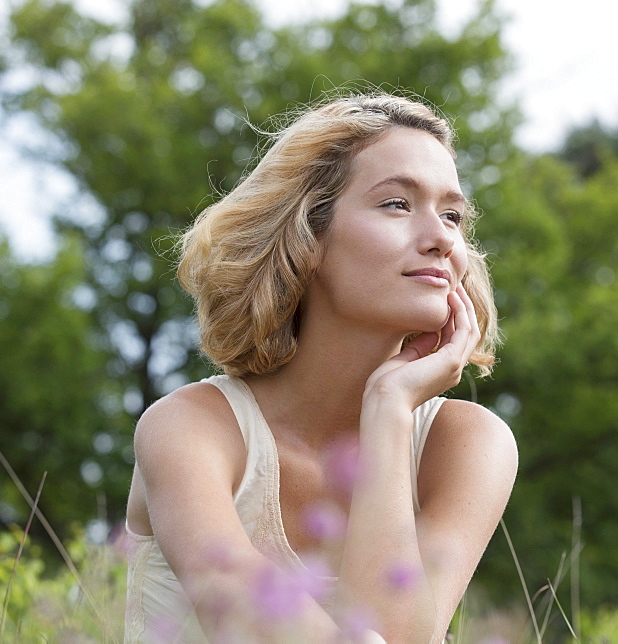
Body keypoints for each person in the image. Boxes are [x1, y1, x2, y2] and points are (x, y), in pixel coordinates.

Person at [123, 93, 518, 642]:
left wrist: (388, 411)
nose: (443, 238)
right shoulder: (191, 430)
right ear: (308, 237)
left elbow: (398, 635)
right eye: (398, 204)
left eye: (452, 215)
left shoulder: (467, 444)